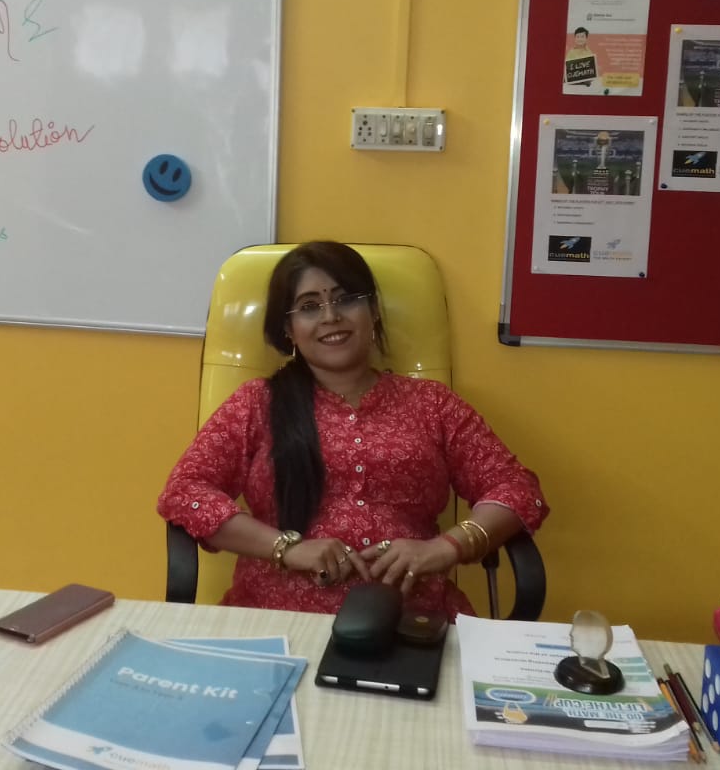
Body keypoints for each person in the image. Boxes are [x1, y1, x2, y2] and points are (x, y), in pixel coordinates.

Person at [156, 241, 548, 618]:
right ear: (289, 328)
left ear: (373, 310)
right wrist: (286, 548)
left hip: (412, 618)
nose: (330, 317)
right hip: (277, 616)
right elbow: (185, 491)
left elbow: (516, 489)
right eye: (309, 307)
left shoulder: (432, 404)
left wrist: (447, 547)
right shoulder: (257, 403)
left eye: (345, 300)